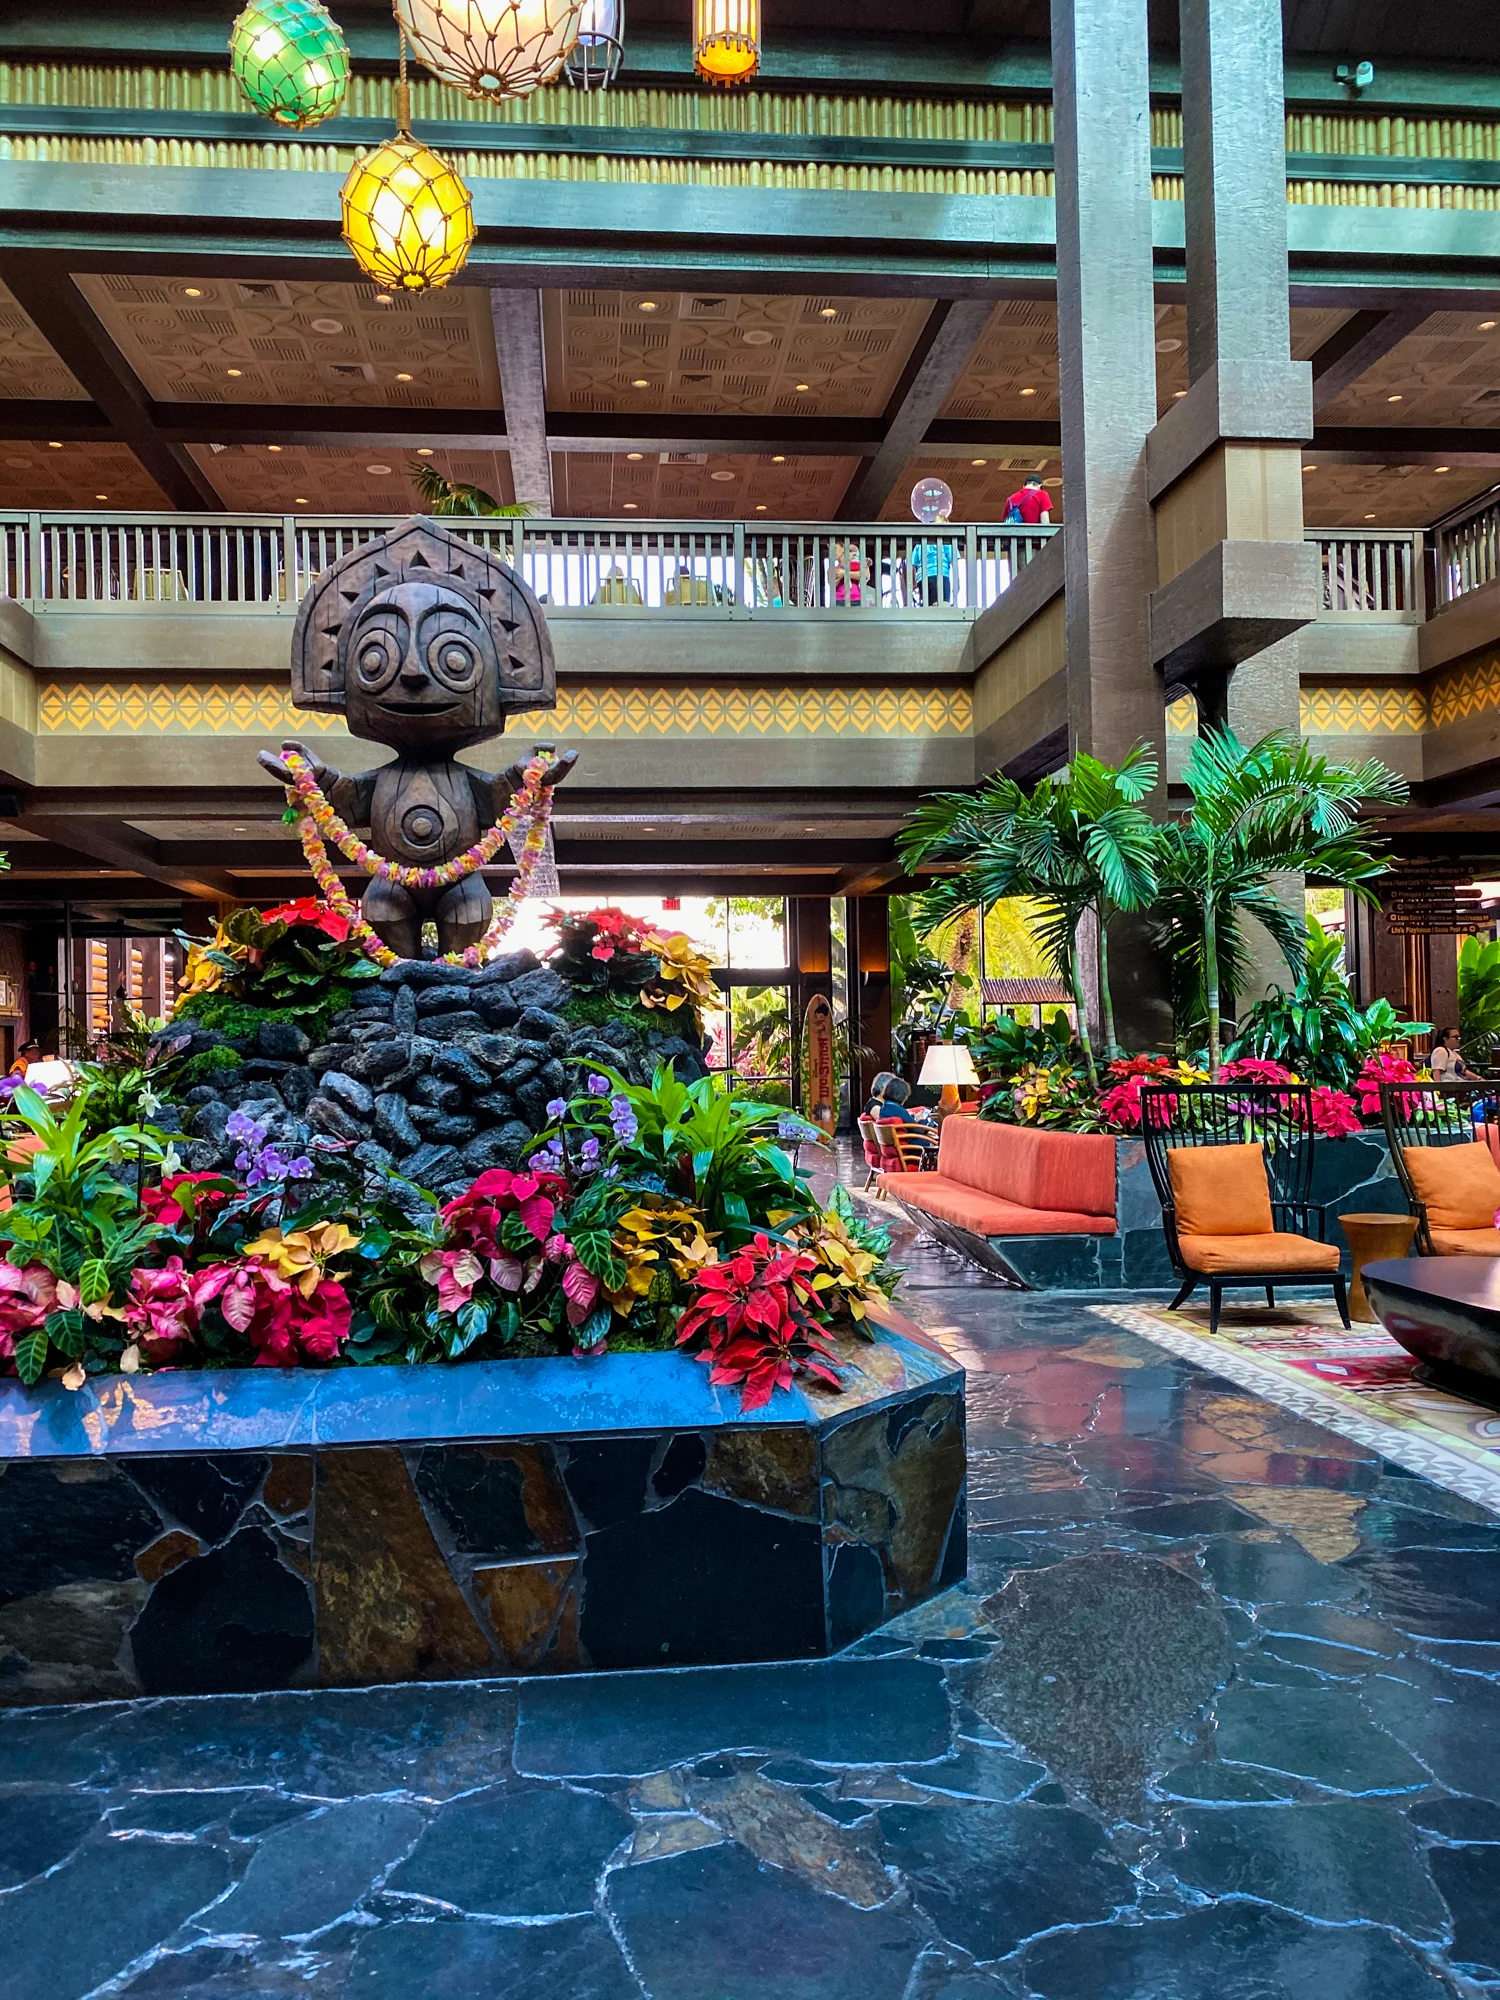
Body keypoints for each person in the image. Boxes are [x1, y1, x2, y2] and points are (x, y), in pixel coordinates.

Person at [865, 1071, 938, 1159]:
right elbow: (916, 1128)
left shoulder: (885, 1107)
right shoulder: (892, 1108)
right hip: (911, 1146)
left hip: (898, 1146)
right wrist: (921, 1120)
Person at [913, 512, 956, 606]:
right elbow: (954, 560)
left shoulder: (920, 543)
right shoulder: (946, 541)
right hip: (940, 574)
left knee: (929, 607)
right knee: (942, 606)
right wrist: (957, 581)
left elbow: (914, 565)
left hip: (922, 578)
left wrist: (914, 584)